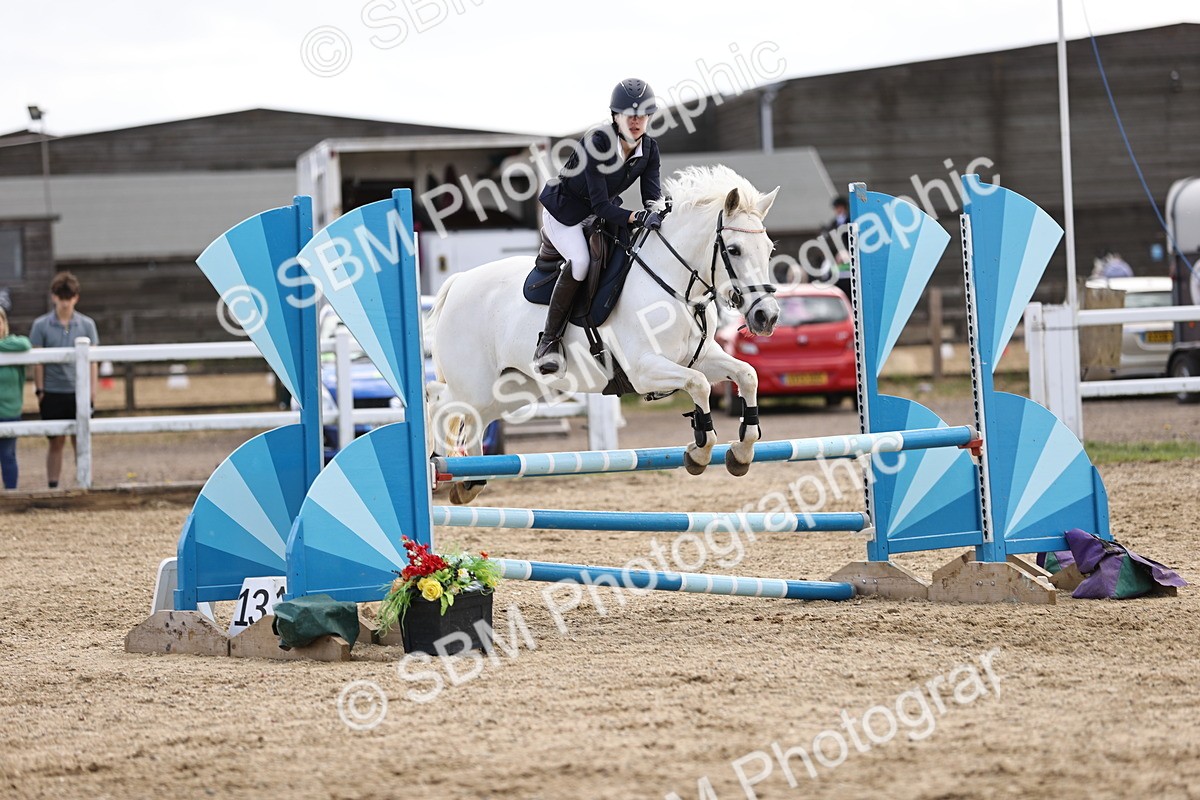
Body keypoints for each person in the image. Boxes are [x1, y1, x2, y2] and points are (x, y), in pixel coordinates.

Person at [534, 78, 664, 374]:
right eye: (629, 115)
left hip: (599, 214)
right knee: (579, 262)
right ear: (615, 116)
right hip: (564, 213)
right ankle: (548, 342)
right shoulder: (597, 143)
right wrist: (635, 218)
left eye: (642, 115)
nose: (636, 121)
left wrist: (661, 213)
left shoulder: (650, 149)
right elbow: (600, 205)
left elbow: (652, 198)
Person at [29, 272, 99, 489]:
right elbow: (37, 361)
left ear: (76, 298)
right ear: (54, 297)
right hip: (53, 391)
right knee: (55, 441)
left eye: (69, 297)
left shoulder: (87, 324)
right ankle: (53, 485)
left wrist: (92, 393)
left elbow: (93, 362)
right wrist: (40, 391)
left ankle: (84, 483)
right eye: (61, 296)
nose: (65, 302)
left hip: (79, 391)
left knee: (81, 441)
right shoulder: (41, 325)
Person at [0, 307, 31, 490]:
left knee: (7, 455)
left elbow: (25, 344)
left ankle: (11, 492)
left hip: (9, 411)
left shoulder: (13, 345)